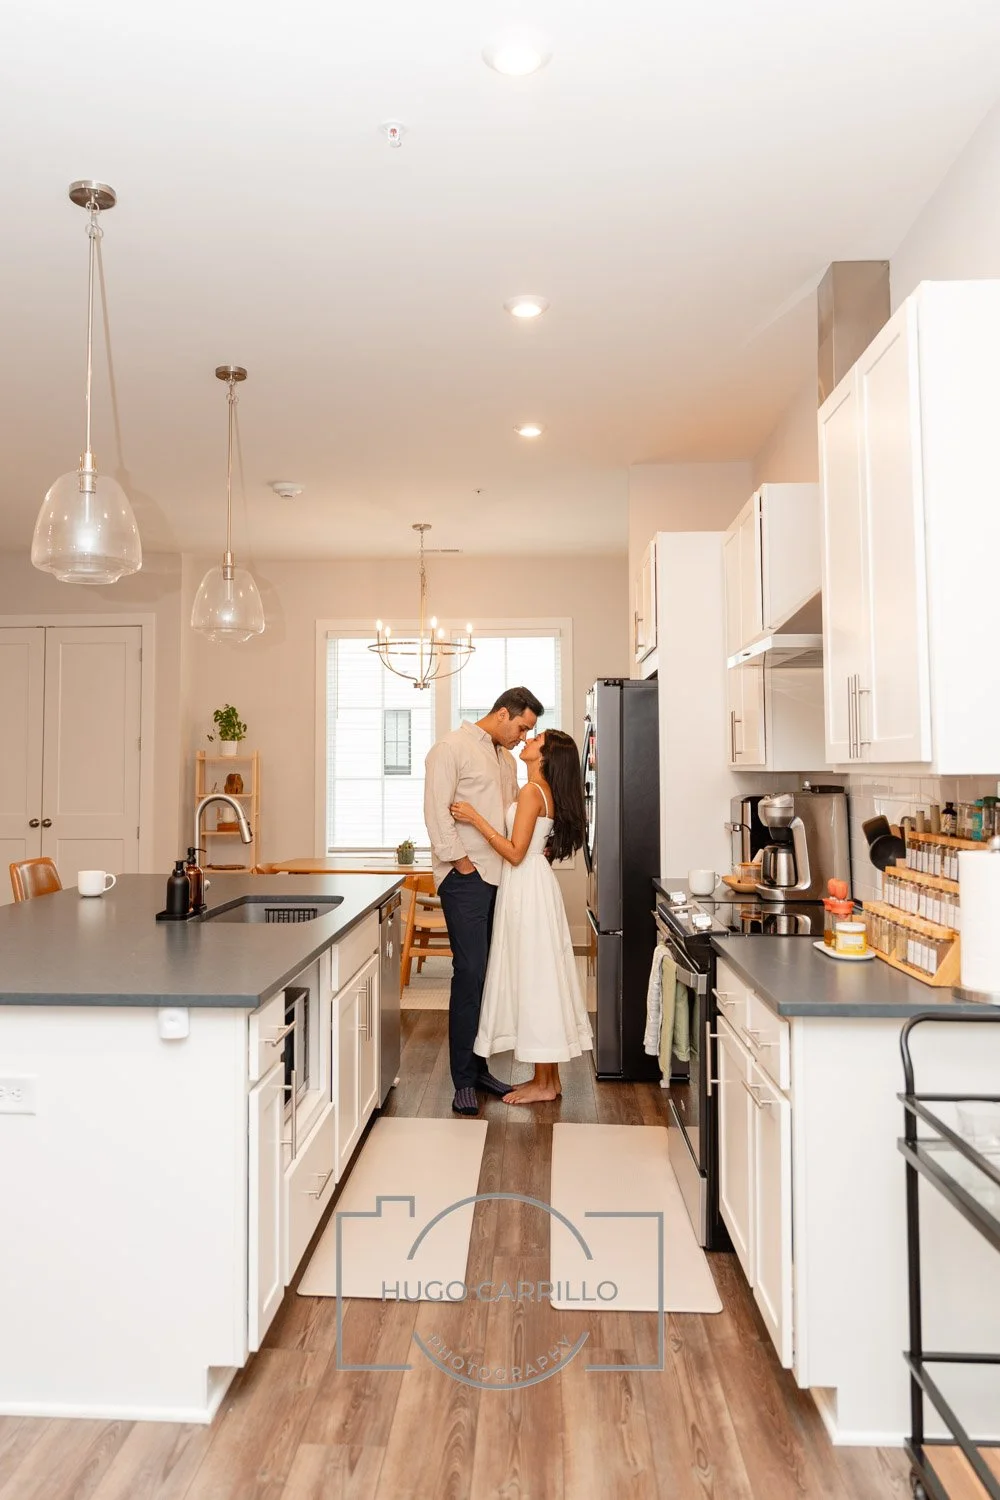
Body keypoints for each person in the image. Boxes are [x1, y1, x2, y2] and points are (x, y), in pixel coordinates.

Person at [450, 727, 592, 1105]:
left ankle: (545, 1085)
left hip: (526, 884)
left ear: (544, 757)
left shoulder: (532, 792)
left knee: (535, 978)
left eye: (537, 739)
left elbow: (514, 852)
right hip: (531, 884)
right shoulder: (537, 790)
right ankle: (546, 1080)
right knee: (540, 978)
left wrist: (474, 818)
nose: (529, 740)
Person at [424, 687, 545, 1116]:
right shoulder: (450, 748)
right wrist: (462, 864)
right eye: (522, 726)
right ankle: (462, 1081)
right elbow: (437, 813)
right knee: (469, 972)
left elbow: (512, 814)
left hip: (501, 878)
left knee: (488, 978)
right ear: (501, 713)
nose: (523, 735)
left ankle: (478, 1070)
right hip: (467, 879)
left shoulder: (506, 759)